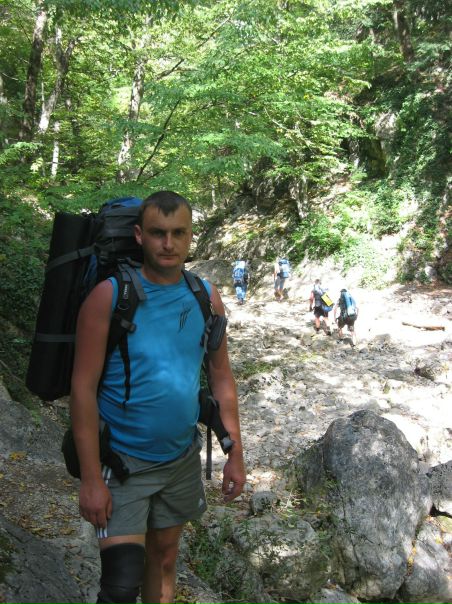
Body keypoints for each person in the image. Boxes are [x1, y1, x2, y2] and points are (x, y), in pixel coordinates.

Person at [70, 191, 245, 604]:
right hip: (122, 461)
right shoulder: (110, 297)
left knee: (164, 558)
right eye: (157, 233)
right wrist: (91, 479)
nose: (168, 243)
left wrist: (235, 453)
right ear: (139, 235)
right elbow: (82, 388)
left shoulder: (206, 297)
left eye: (178, 233)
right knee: (120, 583)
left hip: (179, 460)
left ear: (191, 236)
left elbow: (221, 377)